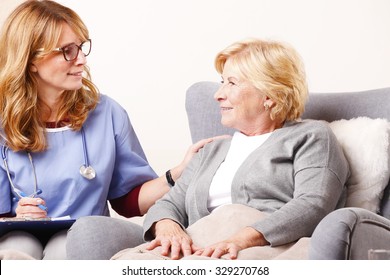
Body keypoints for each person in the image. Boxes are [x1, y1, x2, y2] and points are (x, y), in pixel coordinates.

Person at [67, 38, 350, 260]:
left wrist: (241, 238)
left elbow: (312, 205)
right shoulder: (213, 150)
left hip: (261, 249)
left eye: (232, 83)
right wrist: (168, 227)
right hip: (201, 248)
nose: (218, 94)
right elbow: (169, 203)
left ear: (271, 96)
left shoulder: (312, 137)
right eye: (221, 82)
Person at [0, 0, 213, 260]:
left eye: (81, 47)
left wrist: (179, 172)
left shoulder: (106, 113)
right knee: (15, 249)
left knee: (65, 247)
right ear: (31, 60)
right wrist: (15, 215)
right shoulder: (3, 120)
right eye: (67, 50)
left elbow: (128, 201)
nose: (81, 59)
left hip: (81, 234)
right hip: (16, 232)